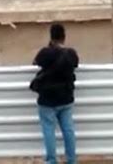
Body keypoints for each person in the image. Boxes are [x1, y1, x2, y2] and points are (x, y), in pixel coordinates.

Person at [33, 23, 79, 164]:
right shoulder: (71, 54)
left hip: (47, 100)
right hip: (66, 99)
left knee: (49, 131)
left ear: (51, 37)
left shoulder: (45, 53)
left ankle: (52, 161)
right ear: (64, 37)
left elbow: (35, 62)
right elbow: (76, 64)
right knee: (68, 130)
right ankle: (71, 160)